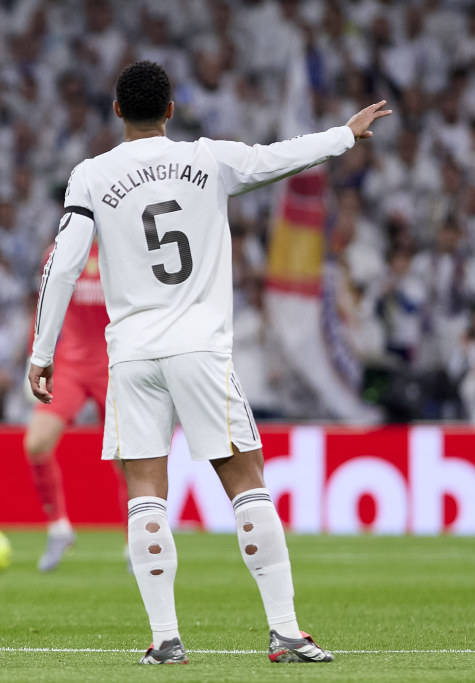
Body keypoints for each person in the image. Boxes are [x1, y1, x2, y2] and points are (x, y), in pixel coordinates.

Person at [28, 61, 391, 665]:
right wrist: (343, 136)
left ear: (117, 111)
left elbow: (61, 266)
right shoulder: (208, 159)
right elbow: (279, 158)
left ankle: (165, 639)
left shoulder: (90, 175)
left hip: (132, 353)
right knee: (246, 480)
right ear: (171, 109)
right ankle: (285, 631)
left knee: (145, 490)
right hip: (198, 345)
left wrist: (42, 353)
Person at [24, 241, 112, 572]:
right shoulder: (60, 249)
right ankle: (59, 527)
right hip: (71, 363)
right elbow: (44, 307)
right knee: (36, 443)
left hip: (115, 362)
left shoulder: (125, 240)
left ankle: (136, 541)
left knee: (128, 460)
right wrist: (36, 356)